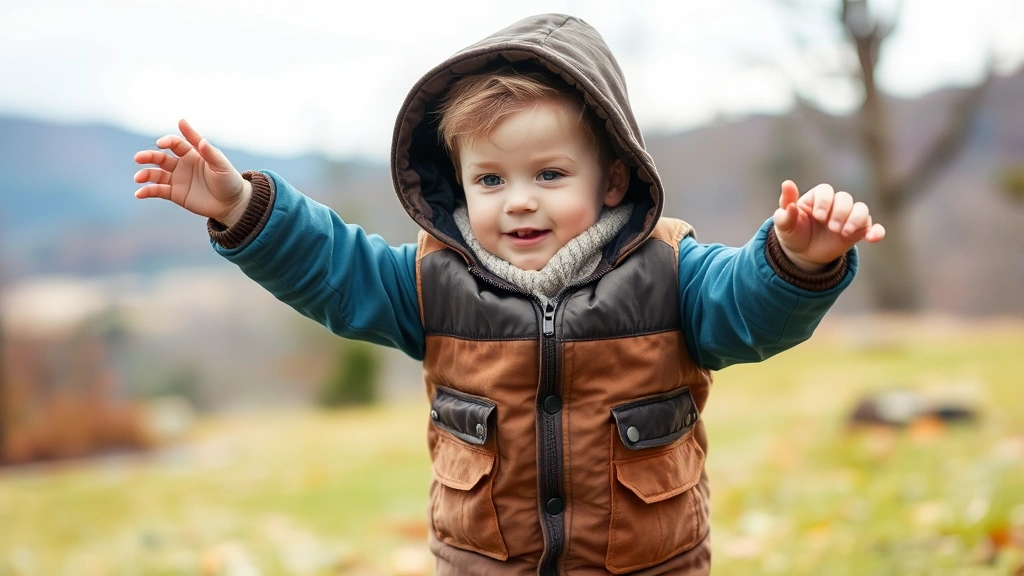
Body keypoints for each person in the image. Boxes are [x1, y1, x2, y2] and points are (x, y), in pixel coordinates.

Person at [133, 13, 883, 576]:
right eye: (491, 179)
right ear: (459, 182)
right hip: (480, 564)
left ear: (612, 177)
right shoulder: (432, 282)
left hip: (649, 564)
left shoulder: (671, 272)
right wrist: (242, 209)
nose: (518, 201)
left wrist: (793, 259)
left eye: (549, 175)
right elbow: (336, 269)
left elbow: (748, 311)